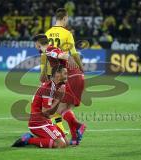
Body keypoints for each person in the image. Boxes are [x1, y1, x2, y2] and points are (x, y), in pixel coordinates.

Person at [34, 34, 86, 145]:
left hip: (71, 77)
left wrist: (69, 57)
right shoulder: (50, 52)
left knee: (59, 109)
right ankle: (75, 139)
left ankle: (79, 126)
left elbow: (62, 55)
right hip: (77, 77)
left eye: (35, 44)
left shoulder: (49, 50)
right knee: (66, 109)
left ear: (38, 43)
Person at [40, 8, 84, 136]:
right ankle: (59, 128)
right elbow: (74, 54)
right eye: (67, 19)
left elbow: (44, 55)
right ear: (64, 18)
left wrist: (42, 72)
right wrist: (81, 68)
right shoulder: (67, 33)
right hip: (62, 72)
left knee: (51, 102)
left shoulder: (47, 33)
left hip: (50, 71)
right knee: (60, 103)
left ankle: (57, 127)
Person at [12, 65, 68, 148]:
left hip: (46, 121)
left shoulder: (55, 86)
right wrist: (59, 99)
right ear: (57, 74)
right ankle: (28, 140)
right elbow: (45, 112)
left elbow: (50, 112)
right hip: (38, 123)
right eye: (65, 73)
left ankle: (41, 139)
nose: (67, 76)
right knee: (61, 144)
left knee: (66, 142)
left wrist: (58, 99)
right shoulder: (49, 88)